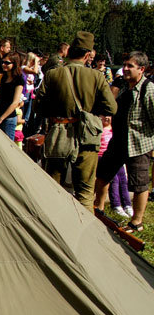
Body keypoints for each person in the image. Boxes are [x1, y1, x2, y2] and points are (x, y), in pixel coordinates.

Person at [35, 31, 117, 211]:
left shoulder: (52, 75)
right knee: (85, 193)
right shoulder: (97, 77)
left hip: (59, 134)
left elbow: (38, 107)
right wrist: (90, 113)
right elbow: (112, 108)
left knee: (53, 189)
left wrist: (57, 112)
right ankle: (84, 235)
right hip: (88, 138)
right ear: (88, 55)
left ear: (70, 51)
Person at [94, 51, 154, 232]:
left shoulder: (148, 88)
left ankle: (136, 222)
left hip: (138, 144)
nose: (125, 69)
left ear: (141, 69)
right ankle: (98, 208)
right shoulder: (124, 86)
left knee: (140, 183)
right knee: (103, 174)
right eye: (125, 65)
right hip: (118, 141)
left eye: (130, 66)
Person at [98, 116, 132, 218]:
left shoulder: (114, 130)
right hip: (102, 157)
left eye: (109, 116)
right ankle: (116, 204)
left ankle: (127, 204)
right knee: (114, 179)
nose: (107, 118)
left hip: (115, 157)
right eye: (104, 115)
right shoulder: (99, 130)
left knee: (123, 179)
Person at [0, 51, 24, 140]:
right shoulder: (3, 77)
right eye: (2, 62)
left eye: (7, 63)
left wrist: (1, 119)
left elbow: (15, 103)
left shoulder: (19, 80)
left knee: (8, 146)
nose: (4, 64)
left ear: (14, 64)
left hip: (8, 118)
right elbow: (0, 98)